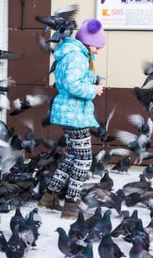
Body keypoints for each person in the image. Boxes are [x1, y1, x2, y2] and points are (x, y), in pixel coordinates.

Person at [38, 18, 106, 217]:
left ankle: (49, 196)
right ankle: (71, 203)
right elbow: (72, 84)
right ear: (87, 40)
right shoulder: (77, 56)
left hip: (69, 112)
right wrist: (93, 89)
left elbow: (70, 80)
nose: (98, 51)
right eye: (97, 46)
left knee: (74, 156)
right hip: (75, 114)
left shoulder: (71, 52)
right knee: (84, 159)